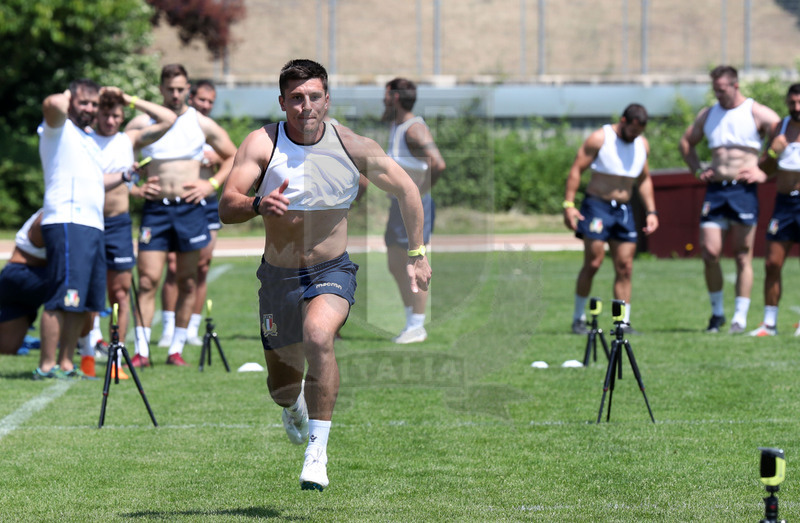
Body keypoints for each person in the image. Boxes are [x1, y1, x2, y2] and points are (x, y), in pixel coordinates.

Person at [219, 59, 431, 491]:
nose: (306, 106)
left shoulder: (353, 146)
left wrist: (418, 253)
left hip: (331, 270)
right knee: (282, 387)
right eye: (296, 98)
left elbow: (408, 189)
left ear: (327, 100)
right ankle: (293, 407)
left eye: (314, 96)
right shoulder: (262, 144)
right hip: (278, 278)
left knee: (319, 336)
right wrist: (258, 204)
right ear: (283, 102)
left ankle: (317, 451)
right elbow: (226, 205)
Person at [125, 64, 236, 367]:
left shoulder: (200, 123)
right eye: (170, 89)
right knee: (147, 281)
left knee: (187, 281)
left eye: (180, 89)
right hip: (156, 210)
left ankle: (176, 349)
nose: (175, 94)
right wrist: (134, 188)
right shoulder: (143, 122)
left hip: (189, 210)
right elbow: (119, 156)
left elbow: (233, 155)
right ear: (160, 89)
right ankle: (142, 351)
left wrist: (211, 184)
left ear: (187, 89)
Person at [75, 88, 177, 377]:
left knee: (120, 292)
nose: (110, 121)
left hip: (118, 225)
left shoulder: (127, 139)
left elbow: (168, 119)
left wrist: (129, 99)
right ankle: (87, 356)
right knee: (88, 292)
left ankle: (116, 360)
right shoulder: (83, 139)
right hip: (88, 221)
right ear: (96, 114)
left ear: (123, 117)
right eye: (105, 115)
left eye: (116, 115)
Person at [35, 80, 133, 380]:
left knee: (82, 301)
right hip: (68, 220)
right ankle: (46, 365)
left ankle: (66, 363)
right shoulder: (58, 128)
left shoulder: (88, 139)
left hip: (93, 225)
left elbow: (97, 180)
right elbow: (52, 104)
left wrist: (125, 175)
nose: (89, 108)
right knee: (61, 297)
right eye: (83, 102)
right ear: (71, 102)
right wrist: (71, 92)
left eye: (93, 104)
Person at [679, 65, 780, 333]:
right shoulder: (709, 114)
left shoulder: (755, 111)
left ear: (735, 86)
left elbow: (783, 136)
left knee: (742, 254)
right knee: (710, 252)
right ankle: (717, 313)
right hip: (716, 190)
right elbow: (686, 143)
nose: (718, 95)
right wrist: (697, 169)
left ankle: (740, 317)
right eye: (715, 90)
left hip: (743, 191)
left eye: (722, 90)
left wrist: (763, 169)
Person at [563, 103, 659, 335]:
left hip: (623, 209)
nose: (635, 136)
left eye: (639, 132)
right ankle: (579, 318)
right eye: (632, 130)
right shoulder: (600, 138)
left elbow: (644, 179)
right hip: (597, 207)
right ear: (623, 121)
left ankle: (622, 323)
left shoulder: (642, 144)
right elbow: (576, 169)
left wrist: (651, 211)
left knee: (625, 267)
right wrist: (569, 205)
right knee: (593, 263)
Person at [158, 79, 232, 347]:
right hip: (180, 204)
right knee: (174, 267)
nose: (206, 105)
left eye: (211, 101)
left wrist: (216, 166)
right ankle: (169, 328)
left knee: (202, 267)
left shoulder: (211, 129)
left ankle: (191, 327)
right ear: (191, 97)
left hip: (207, 204)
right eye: (202, 99)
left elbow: (233, 157)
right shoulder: (177, 125)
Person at [381, 77, 446, 343]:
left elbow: (438, 164)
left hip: (414, 205)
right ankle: (411, 321)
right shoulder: (397, 126)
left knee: (416, 262)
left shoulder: (414, 130)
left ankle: (417, 325)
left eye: (386, 95)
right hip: (399, 205)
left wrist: (418, 193)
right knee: (395, 263)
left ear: (395, 97)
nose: (383, 99)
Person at [749, 83, 800, 337]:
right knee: (772, 263)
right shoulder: (780, 128)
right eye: (792, 103)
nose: (797, 107)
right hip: (784, 204)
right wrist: (772, 151)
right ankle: (769, 324)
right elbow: (764, 169)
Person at [0, 210, 48, 355]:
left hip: (14, 274)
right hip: (27, 274)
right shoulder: (53, 213)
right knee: (81, 289)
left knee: (6, 348)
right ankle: (90, 345)